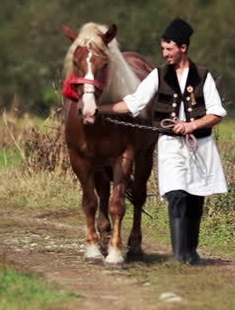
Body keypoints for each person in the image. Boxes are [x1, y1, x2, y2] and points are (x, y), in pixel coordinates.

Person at [96, 17, 227, 264]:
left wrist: (192, 124)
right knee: (176, 194)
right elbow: (134, 103)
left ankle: (191, 251)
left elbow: (216, 113)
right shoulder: (158, 75)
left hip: (200, 146)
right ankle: (180, 255)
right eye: (163, 48)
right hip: (170, 145)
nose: (164, 53)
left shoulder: (203, 76)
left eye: (169, 49)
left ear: (183, 48)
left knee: (195, 197)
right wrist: (100, 109)